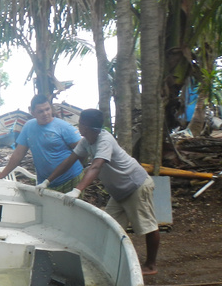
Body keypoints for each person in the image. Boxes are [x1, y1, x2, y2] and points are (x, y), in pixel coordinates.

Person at [44, 108, 161, 275]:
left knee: (147, 226)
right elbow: (69, 161)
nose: (79, 126)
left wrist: (77, 190)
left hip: (135, 185)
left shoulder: (104, 140)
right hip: (119, 191)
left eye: (80, 123)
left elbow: (96, 166)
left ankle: (151, 265)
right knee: (109, 225)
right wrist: (47, 181)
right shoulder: (86, 141)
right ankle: (112, 261)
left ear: (84, 126)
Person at [0, 94, 82, 192]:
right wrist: (2, 174)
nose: (45, 113)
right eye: (40, 111)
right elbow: (18, 154)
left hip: (70, 178)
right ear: (33, 112)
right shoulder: (29, 126)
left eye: (47, 109)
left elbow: (81, 150)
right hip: (45, 182)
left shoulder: (64, 127)